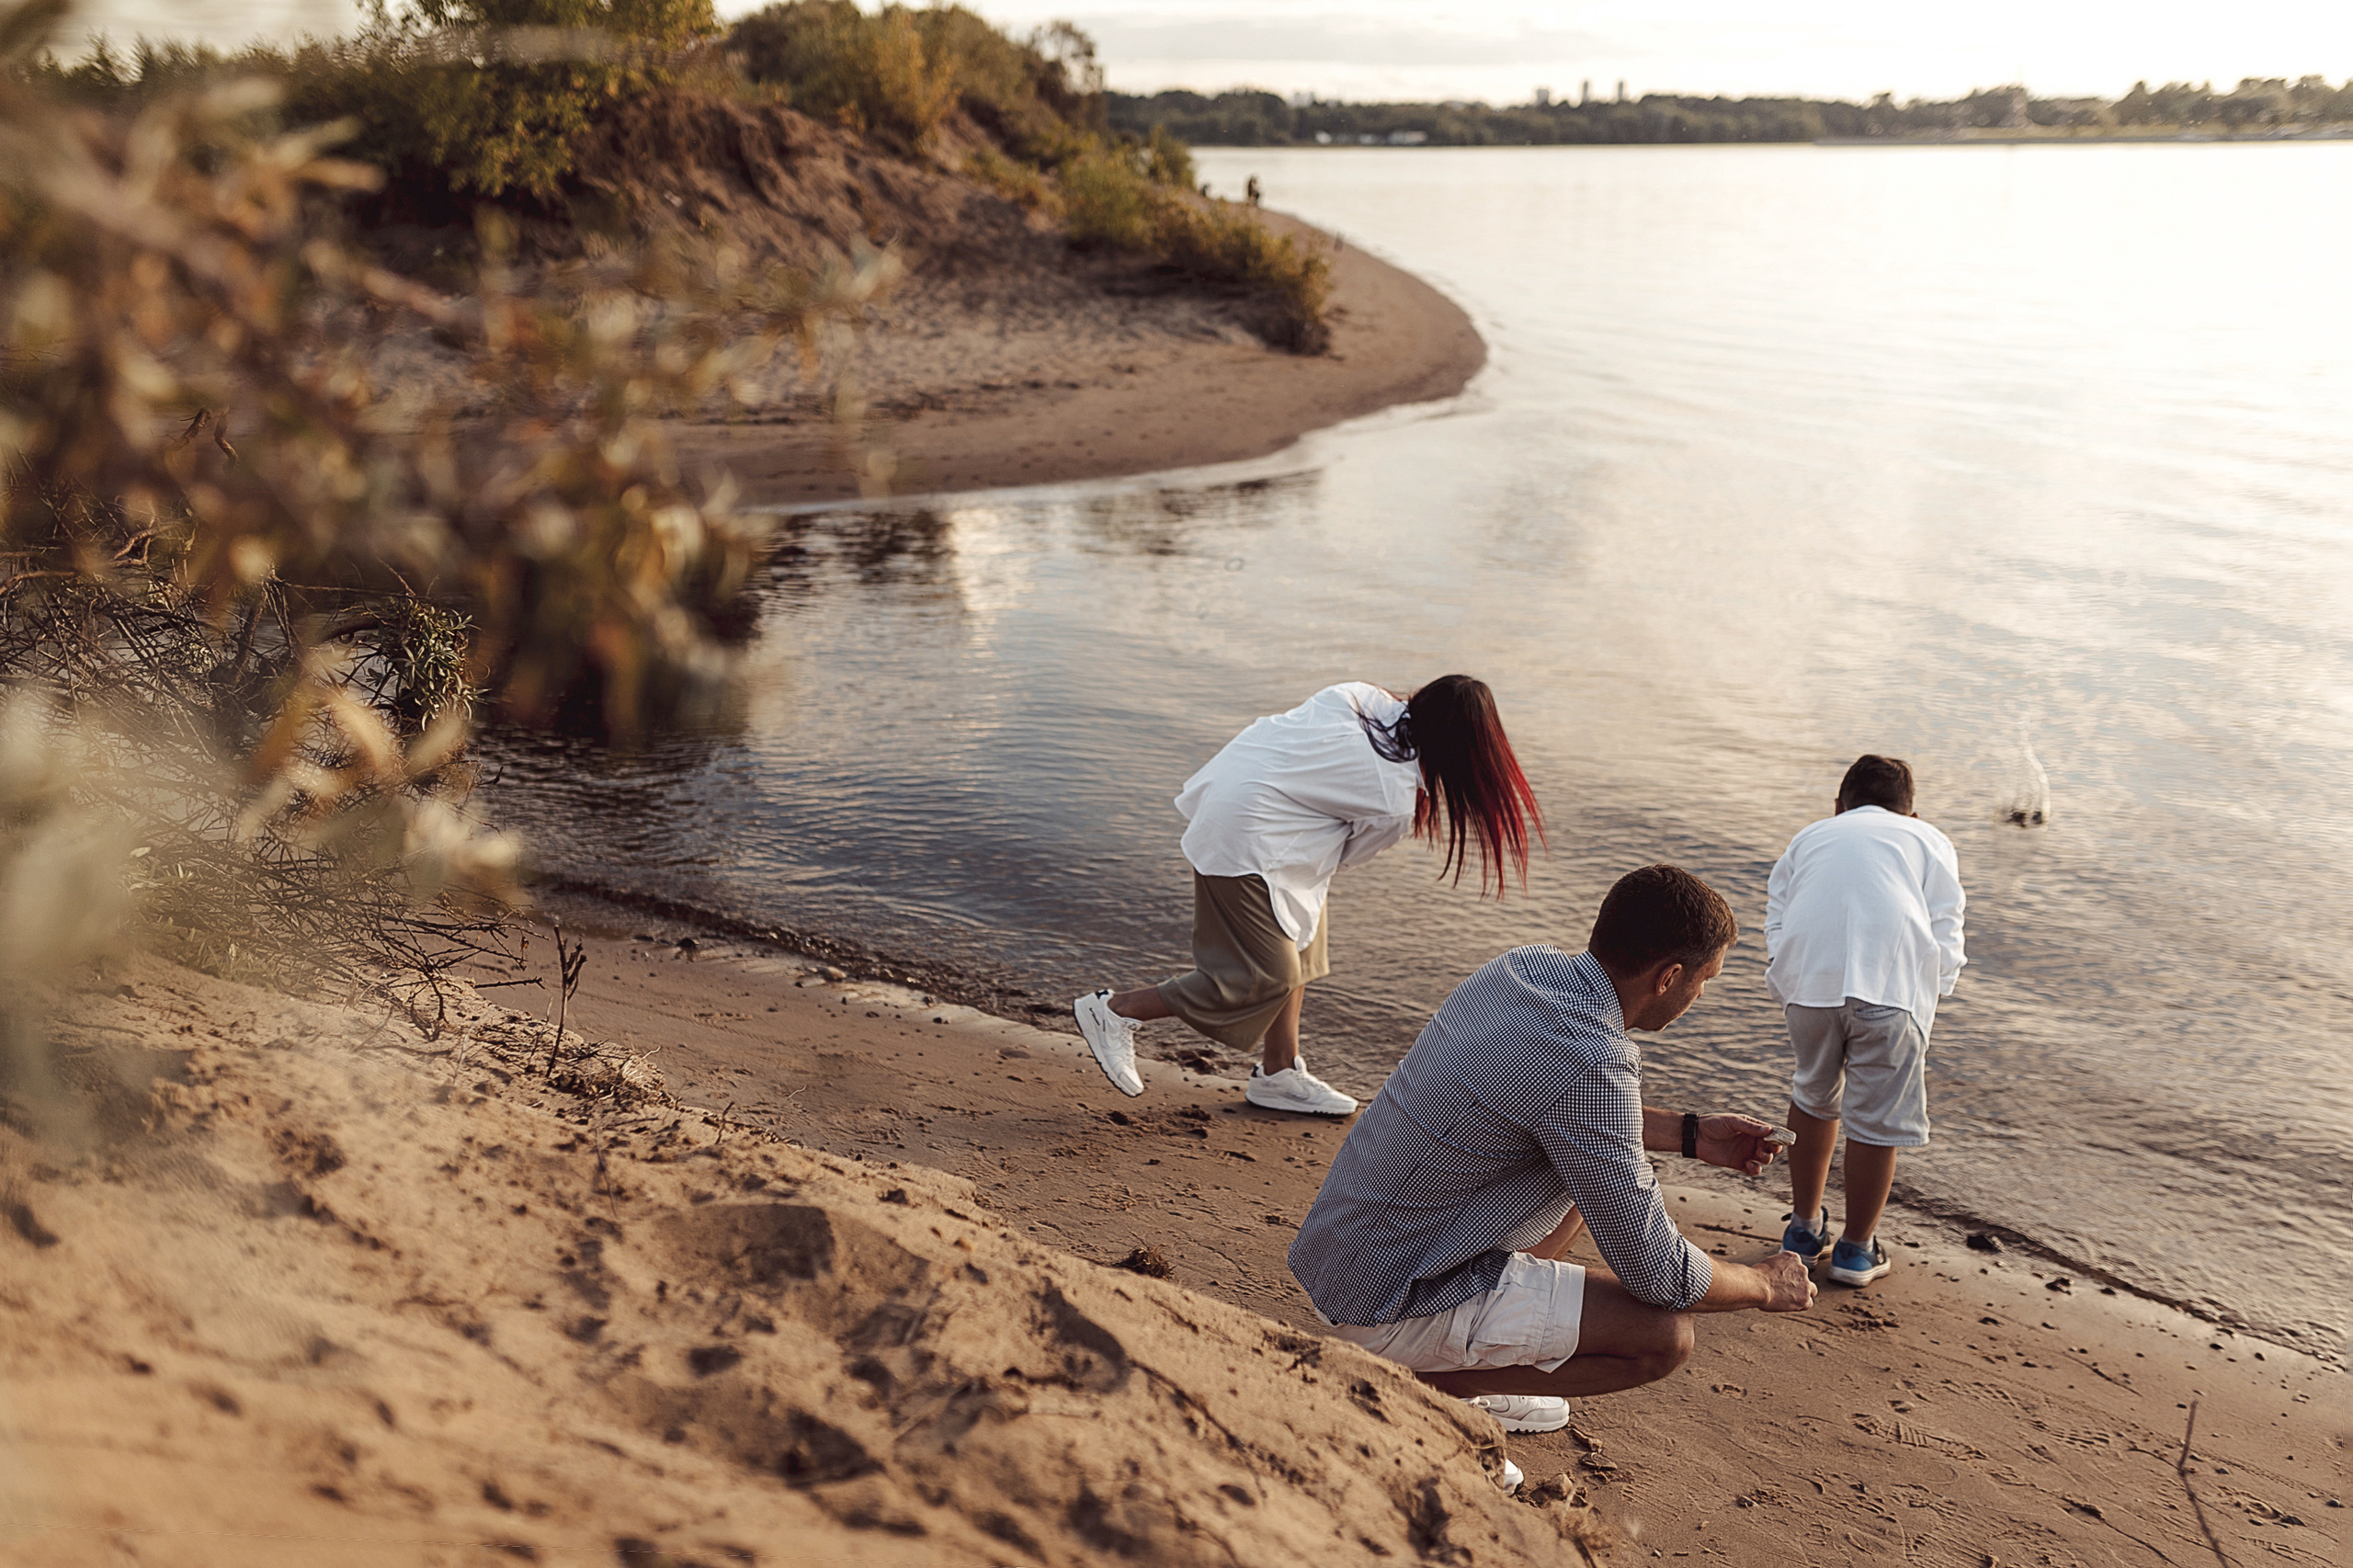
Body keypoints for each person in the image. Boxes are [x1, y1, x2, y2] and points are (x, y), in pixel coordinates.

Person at [1289, 865, 1817, 1438]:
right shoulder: (1595, 1062)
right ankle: (1442, 1390)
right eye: (1704, 980)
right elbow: (1660, 1273)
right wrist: (1763, 1283)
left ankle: (1455, 1357)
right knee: (1664, 1336)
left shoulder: (1521, 969)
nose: (1701, 994)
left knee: (1587, 1180)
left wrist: (1688, 1133)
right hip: (1387, 1305)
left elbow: (1552, 1108)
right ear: (1668, 978)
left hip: (1339, 1261)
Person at [1074, 676, 1542, 1116]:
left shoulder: (1362, 696)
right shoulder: (1394, 798)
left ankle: (1278, 1073)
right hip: (1248, 839)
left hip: (1240, 797)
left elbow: (1300, 743)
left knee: (1303, 946)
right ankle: (1115, 1010)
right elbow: (1349, 856)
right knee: (1261, 975)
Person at [1767, 754, 1966, 1287]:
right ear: (1912, 814)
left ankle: (1804, 1230)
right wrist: (1931, 992)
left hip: (1811, 984)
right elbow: (1947, 926)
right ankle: (1856, 1249)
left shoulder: (1810, 836)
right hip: (1890, 990)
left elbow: (1780, 914)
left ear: (1839, 806)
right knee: (1877, 1119)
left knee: (1813, 1093)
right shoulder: (1928, 840)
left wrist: (1785, 979)